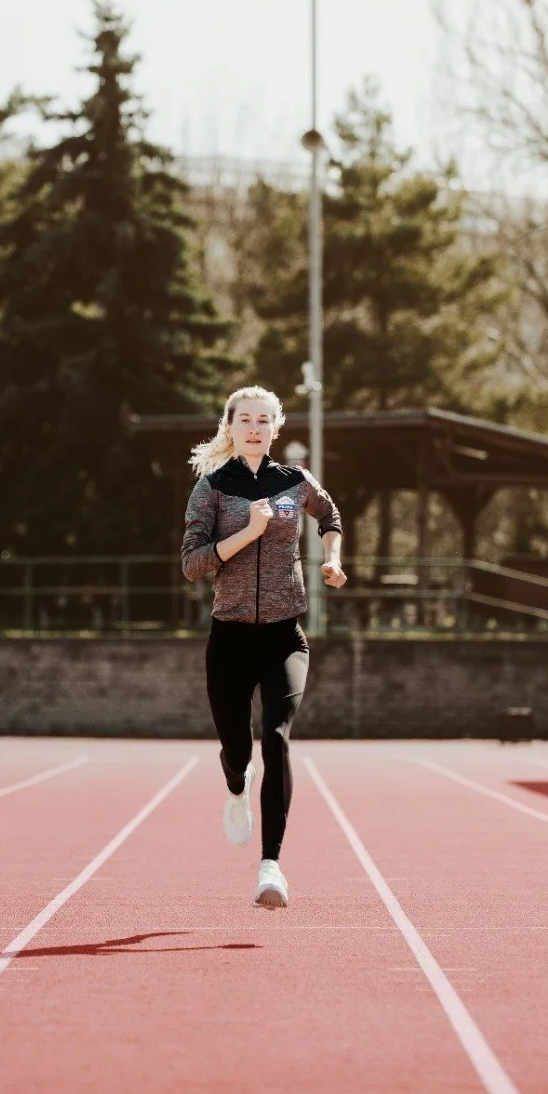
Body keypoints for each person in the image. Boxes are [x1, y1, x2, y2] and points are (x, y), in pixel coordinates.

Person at [181, 385, 344, 909]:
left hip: (283, 636)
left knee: (276, 738)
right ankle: (236, 786)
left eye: (263, 420)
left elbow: (330, 514)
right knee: (237, 749)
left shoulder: (294, 482)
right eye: (244, 419)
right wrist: (248, 533)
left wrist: (333, 558)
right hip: (229, 637)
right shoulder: (212, 487)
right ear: (229, 427)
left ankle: (271, 867)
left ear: (277, 427)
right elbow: (193, 564)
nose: (254, 427)